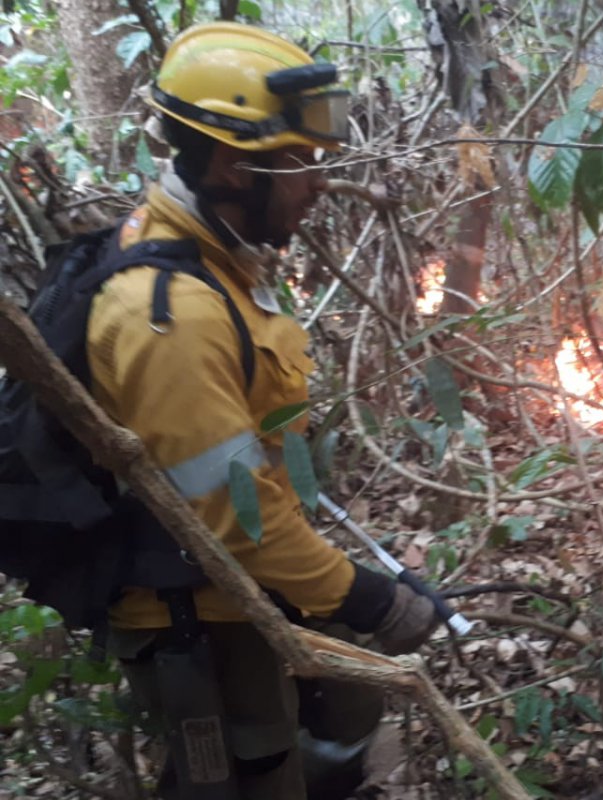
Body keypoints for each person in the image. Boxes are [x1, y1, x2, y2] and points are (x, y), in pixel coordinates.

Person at [86, 22, 436, 799]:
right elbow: (234, 516)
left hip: (259, 582)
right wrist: (375, 600)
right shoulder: (169, 316)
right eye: (300, 162)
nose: (318, 183)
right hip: (199, 618)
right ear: (231, 168)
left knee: (350, 710)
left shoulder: (217, 259)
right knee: (251, 778)